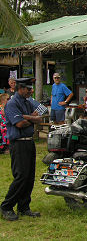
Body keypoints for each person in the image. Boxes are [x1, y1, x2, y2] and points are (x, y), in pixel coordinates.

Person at [1, 78, 42, 221]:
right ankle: (6, 206)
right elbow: (19, 123)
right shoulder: (12, 103)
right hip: (18, 143)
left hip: (29, 142)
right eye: (28, 89)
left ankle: (24, 206)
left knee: (30, 177)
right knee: (21, 176)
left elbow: (40, 118)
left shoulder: (27, 102)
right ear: (21, 88)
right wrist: (30, 118)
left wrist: (27, 117)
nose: (31, 91)